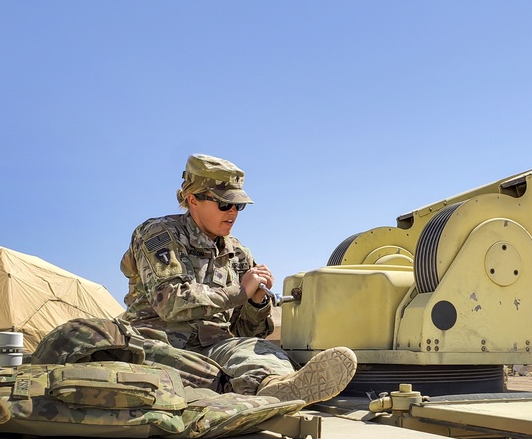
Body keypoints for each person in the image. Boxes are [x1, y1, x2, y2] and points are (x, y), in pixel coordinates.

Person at [119, 154, 356, 407]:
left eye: (238, 206)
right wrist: (240, 292)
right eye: (224, 204)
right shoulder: (159, 233)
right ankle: (251, 389)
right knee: (198, 372)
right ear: (193, 200)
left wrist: (255, 304)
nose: (232, 212)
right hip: (158, 345)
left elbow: (244, 332)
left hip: (212, 348)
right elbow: (170, 302)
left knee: (259, 351)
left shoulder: (237, 253)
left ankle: (273, 387)